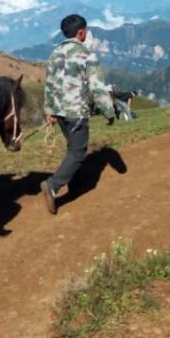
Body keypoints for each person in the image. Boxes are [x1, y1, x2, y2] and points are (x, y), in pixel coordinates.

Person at [41, 14, 115, 214]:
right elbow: (97, 87)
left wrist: (49, 111)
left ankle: (76, 182)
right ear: (81, 32)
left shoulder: (55, 53)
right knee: (78, 152)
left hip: (59, 111)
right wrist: (109, 111)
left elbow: (49, 84)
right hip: (76, 112)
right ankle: (53, 185)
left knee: (72, 147)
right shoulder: (86, 55)